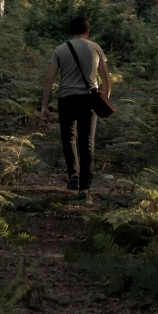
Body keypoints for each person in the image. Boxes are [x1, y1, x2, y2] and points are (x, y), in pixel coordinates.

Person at [40, 16, 111, 201]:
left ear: (69, 32)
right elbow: (107, 81)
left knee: (68, 137)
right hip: (89, 99)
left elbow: (49, 78)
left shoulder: (60, 49)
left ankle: (74, 176)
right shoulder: (96, 48)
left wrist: (44, 105)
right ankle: (84, 189)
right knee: (87, 142)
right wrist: (104, 99)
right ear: (87, 31)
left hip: (67, 99)